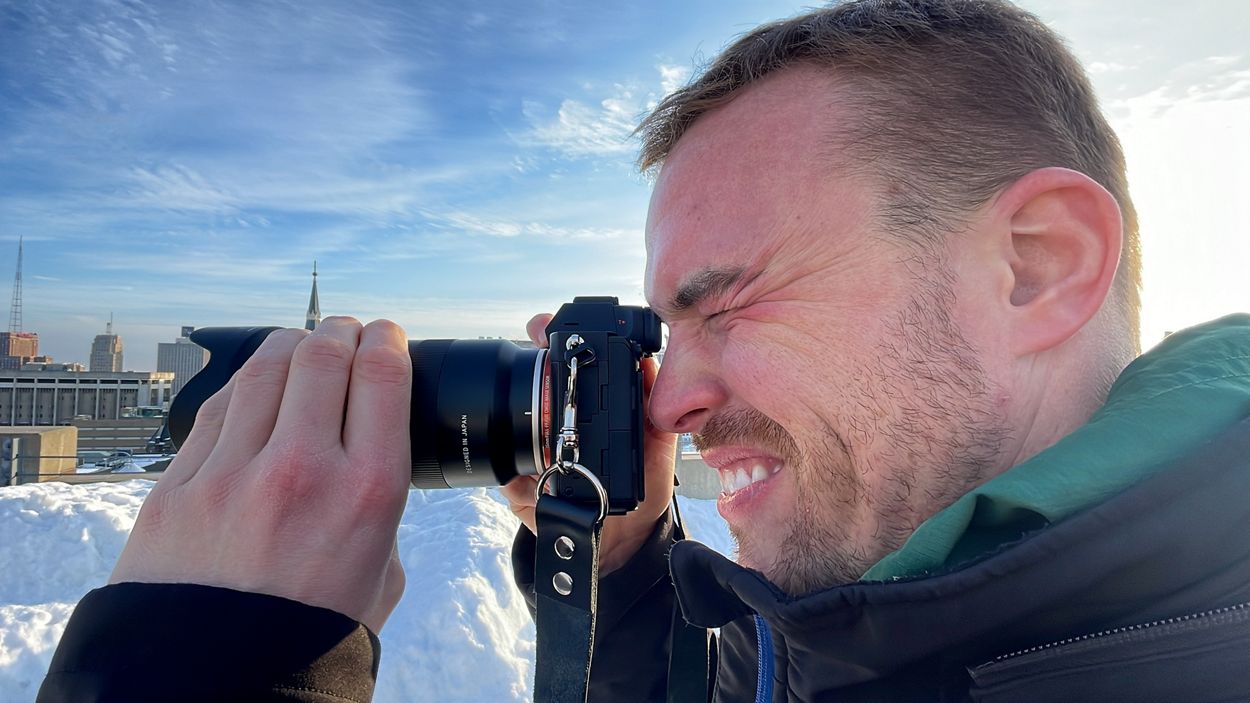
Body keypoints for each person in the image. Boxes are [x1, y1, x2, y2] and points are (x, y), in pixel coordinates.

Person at [38, 1, 1250, 702]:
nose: (673, 398)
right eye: (669, 328)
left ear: (1034, 265)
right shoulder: (885, 616)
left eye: (729, 304)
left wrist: (199, 667)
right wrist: (618, 568)